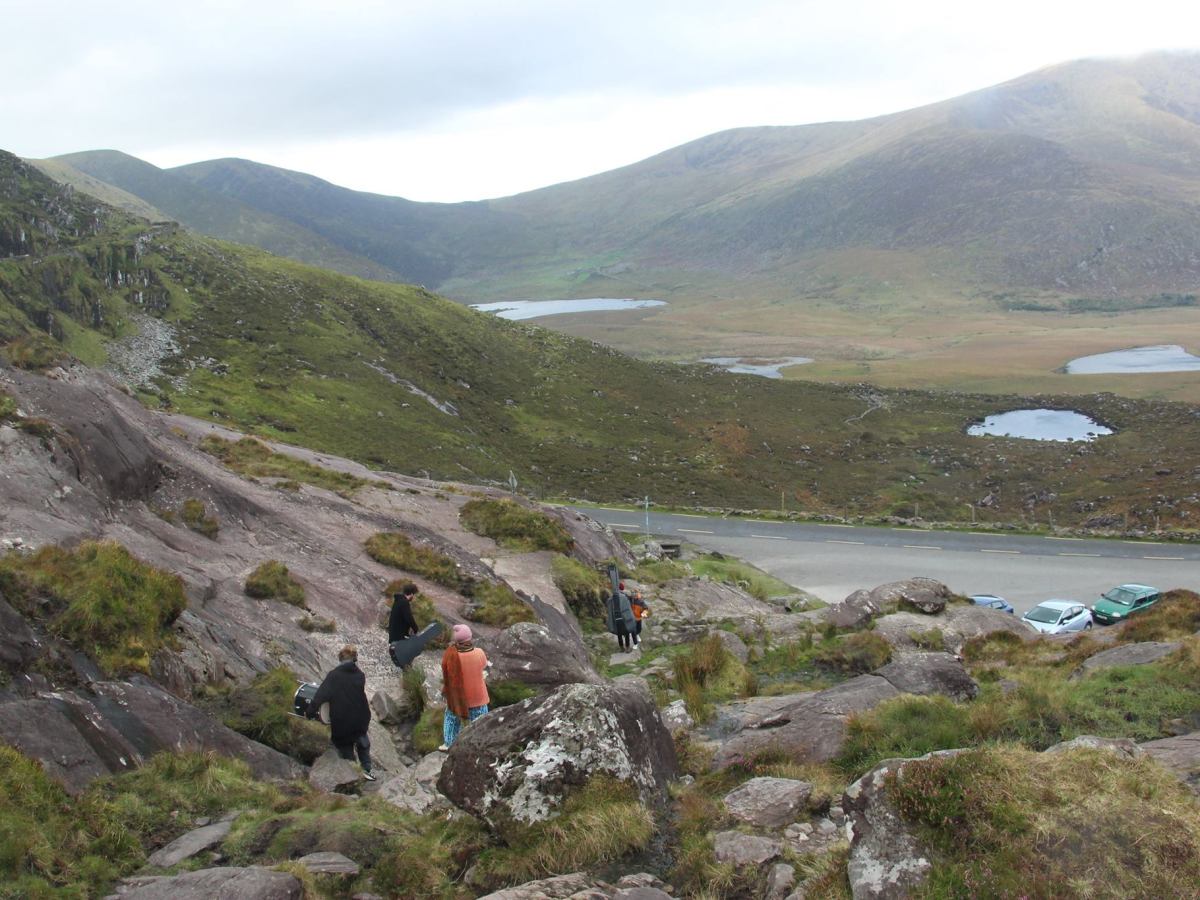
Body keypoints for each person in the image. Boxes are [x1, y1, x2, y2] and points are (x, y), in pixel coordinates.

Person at [307, 645, 375, 780]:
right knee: (362, 740)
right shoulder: (360, 676)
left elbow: (321, 696)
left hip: (342, 720)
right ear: (355, 659)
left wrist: (310, 712)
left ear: (340, 658)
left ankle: (353, 773)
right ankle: (367, 769)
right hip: (361, 717)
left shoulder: (334, 676)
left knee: (345, 747)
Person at [440, 623, 490, 750]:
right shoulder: (479, 653)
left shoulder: (451, 656)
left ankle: (449, 744)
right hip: (479, 697)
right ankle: (479, 745)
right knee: (480, 722)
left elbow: (446, 672)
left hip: (458, 698)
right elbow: (484, 666)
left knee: (451, 718)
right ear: (470, 638)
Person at [606, 581, 637, 652]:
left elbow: (608, 606)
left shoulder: (611, 598)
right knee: (626, 632)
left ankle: (621, 647)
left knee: (619, 633)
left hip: (615, 617)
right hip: (624, 616)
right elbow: (629, 606)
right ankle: (627, 647)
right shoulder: (624, 596)